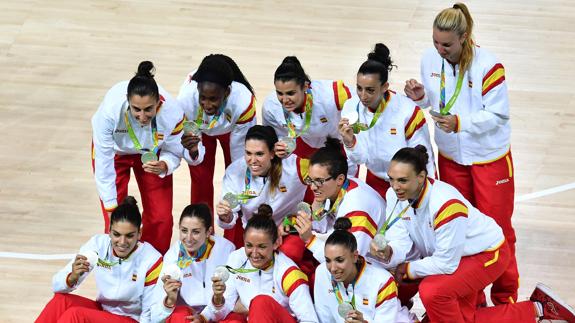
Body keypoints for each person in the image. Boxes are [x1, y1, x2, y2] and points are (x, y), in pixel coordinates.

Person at [370, 146, 575, 323]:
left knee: (433, 292)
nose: (395, 186)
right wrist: (390, 251)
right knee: (462, 316)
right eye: (392, 179)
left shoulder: (445, 205)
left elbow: (445, 263)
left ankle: (537, 310)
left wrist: (409, 269)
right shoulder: (395, 195)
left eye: (402, 180)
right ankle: (538, 309)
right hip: (458, 257)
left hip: (487, 255)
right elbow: (400, 237)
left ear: (422, 177)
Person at [403, 3, 518, 304]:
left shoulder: (488, 66)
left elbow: (499, 115)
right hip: (451, 157)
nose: (440, 49)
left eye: (447, 44)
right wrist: (422, 98)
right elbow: (436, 101)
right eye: (436, 42)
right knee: (462, 231)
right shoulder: (429, 59)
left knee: (499, 231)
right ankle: (474, 301)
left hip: (488, 159)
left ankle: (506, 298)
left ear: (464, 37)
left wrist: (461, 123)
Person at [91, 61, 197, 254]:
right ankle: (118, 267)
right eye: (136, 109)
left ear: (159, 102)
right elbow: (103, 165)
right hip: (114, 153)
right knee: (115, 220)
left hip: (151, 154)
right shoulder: (109, 112)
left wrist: (165, 165)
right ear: (127, 101)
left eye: (148, 109)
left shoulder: (173, 113)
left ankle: (153, 268)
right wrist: (110, 207)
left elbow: (174, 151)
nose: (142, 116)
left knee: (161, 219)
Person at [36, 197, 163, 323]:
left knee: (76, 315)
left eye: (129, 236)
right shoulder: (97, 244)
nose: (122, 242)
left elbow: (150, 311)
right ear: (109, 231)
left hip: (131, 319)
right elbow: (56, 286)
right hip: (103, 311)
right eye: (117, 234)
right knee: (61, 301)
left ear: (139, 233)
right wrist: (72, 278)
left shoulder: (152, 259)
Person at [340, 43, 435, 200]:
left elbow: (425, 157)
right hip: (374, 180)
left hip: (407, 183)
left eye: (370, 90)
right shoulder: (351, 108)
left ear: (385, 87)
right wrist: (350, 143)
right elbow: (359, 158)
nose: (363, 96)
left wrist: (428, 192)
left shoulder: (407, 111)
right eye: (359, 88)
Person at [204, 204, 318, 323]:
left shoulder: (289, 273)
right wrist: (217, 301)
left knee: (260, 303)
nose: (254, 253)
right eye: (249, 245)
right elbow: (225, 308)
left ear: (277, 243)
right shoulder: (237, 258)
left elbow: (310, 320)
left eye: (262, 247)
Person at [178, 54, 257, 214]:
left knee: (237, 180)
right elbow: (192, 153)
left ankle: (235, 232)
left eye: (213, 99)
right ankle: (201, 228)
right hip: (199, 129)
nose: (207, 105)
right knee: (200, 179)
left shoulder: (243, 102)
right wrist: (193, 150)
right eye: (203, 98)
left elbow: (238, 162)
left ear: (227, 92)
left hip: (233, 129)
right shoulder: (185, 101)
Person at [216, 125, 308, 249]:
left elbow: (329, 173)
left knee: (290, 252)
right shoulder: (234, 172)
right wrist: (226, 217)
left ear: (272, 153)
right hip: (254, 233)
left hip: (287, 228)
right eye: (248, 153)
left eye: (259, 154)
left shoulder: (294, 167)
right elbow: (229, 221)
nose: (252, 160)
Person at [294, 138, 386, 262]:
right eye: (310, 180)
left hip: (377, 263)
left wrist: (310, 240)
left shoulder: (357, 208)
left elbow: (348, 261)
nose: (312, 187)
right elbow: (324, 226)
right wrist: (316, 206)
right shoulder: (336, 186)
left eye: (319, 181)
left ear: (340, 179)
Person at [314, 217, 415, 323]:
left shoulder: (382, 281)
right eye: (328, 260)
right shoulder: (322, 273)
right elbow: (324, 317)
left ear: (355, 256)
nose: (333, 268)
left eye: (340, 260)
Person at [150, 203, 234, 323]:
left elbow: (231, 300)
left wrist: (204, 317)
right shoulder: (173, 256)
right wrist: (169, 301)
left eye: (195, 232)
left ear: (208, 231)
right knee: (179, 316)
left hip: (218, 312)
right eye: (184, 231)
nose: (188, 238)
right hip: (189, 316)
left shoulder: (227, 250)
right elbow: (154, 315)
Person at [263, 56, 351, 158]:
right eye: (280, 93)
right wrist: (280, 147)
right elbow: (275, 137)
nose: (285, 100)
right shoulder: (270, 106)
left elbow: (361, 106)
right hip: (302, 145)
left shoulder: (332, 95)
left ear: (305, 86)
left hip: (338, 144)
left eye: (290, 93)